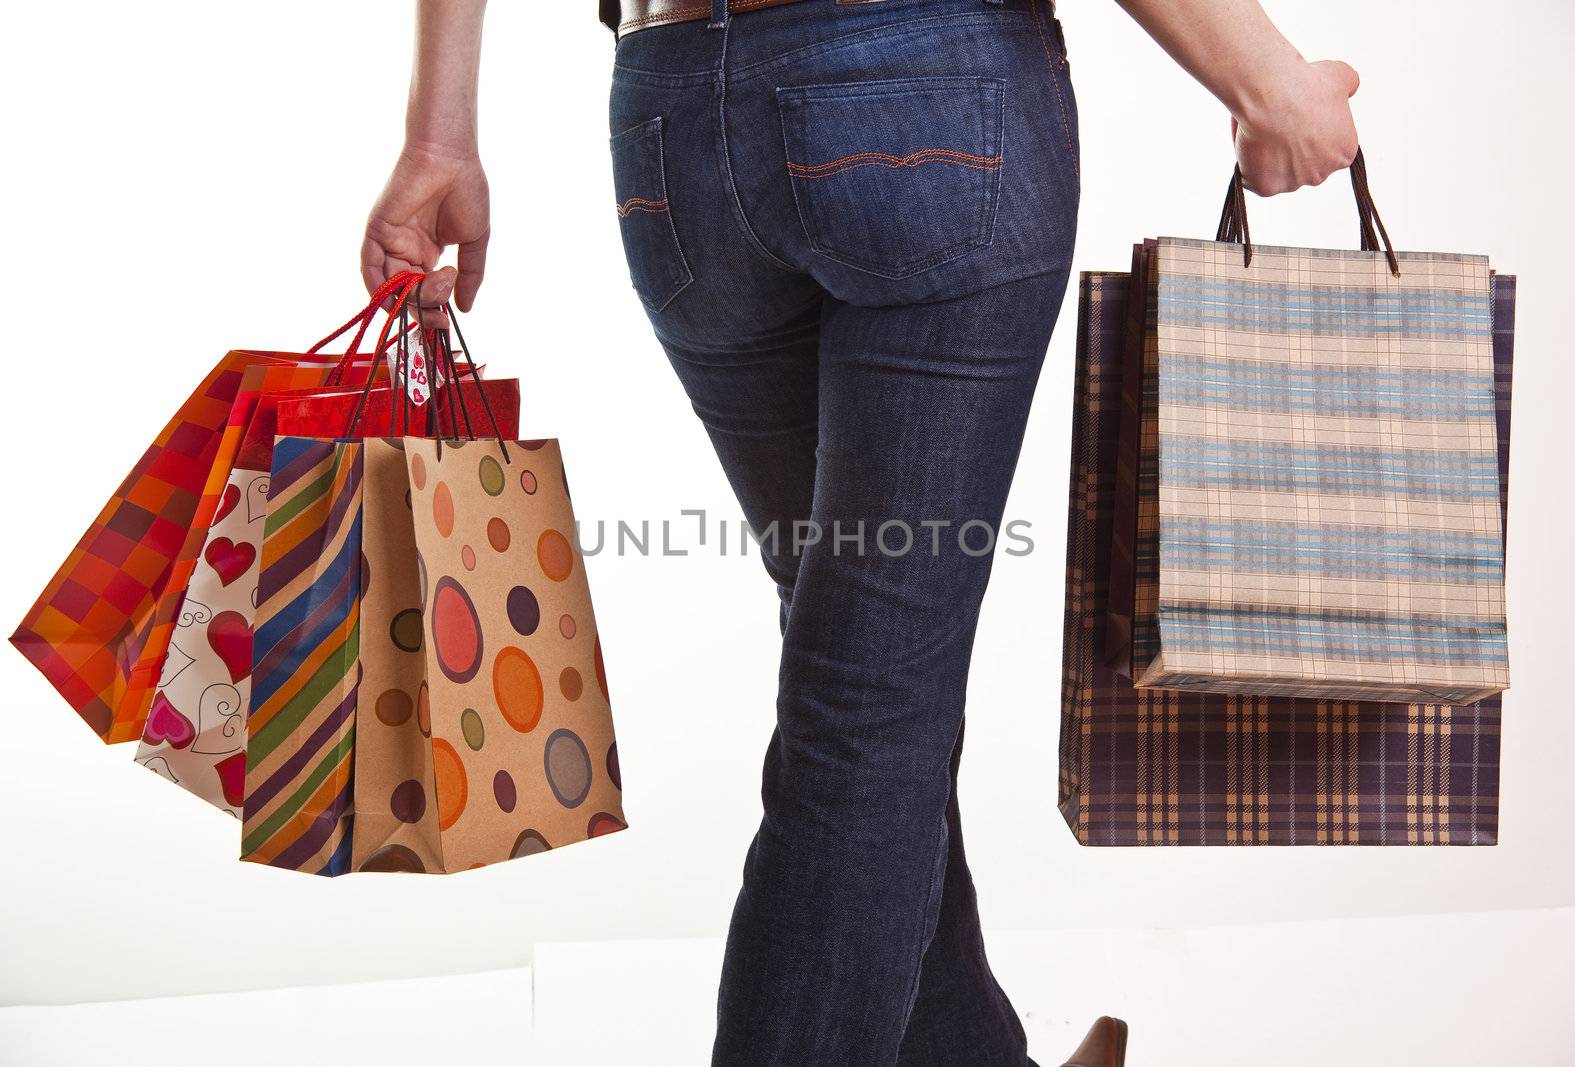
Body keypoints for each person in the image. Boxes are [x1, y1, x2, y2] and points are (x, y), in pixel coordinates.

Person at [364, 2, 1360, 1063]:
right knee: (871, 697)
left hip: (673, 120)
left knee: (861, 661)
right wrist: (1264, 77)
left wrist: (439, 136)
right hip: (925, 91)